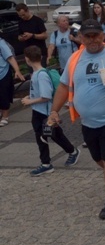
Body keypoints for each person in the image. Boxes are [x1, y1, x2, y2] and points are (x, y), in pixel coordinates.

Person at [47, 19, 105, 220]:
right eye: (88, 36)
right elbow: (63, 87)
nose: (92, 40)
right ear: (81, 38)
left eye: (96, 35)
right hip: (87, 121)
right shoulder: (74, 59)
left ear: (103, 35)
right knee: (98, 158)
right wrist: (54, 111)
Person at [21, 45, 80, 175]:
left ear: (27, 59)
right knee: (45, 136)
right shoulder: (37, 74)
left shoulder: (40, 75)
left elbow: (46, 96)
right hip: (39, 112)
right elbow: (40, 93)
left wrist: (30, 101)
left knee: (51, 135)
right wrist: (30, 96)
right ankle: (47, 162)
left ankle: (66, 154)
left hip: (45, 113)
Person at [0, 37, 26, 127]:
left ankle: (5, 117)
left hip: (3, 72)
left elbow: (10, 58)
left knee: (4, 95)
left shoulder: (1, 43)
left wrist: (17, 71)